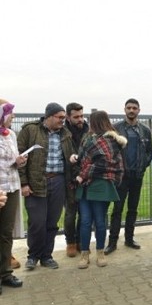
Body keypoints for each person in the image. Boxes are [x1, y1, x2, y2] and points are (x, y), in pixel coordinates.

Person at [17, 102, 75, 270]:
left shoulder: (66, 134)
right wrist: (24, 183)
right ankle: (33, 256)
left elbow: (69, 156)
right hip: (36, 182)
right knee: (37, 222)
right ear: (49, 116)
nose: (63, 121)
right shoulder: (30, 130)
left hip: (58, 182)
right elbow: (19, 158)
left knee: (52, 222)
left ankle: (46, 256)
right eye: (60, 117)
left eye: (64, 118)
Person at [73, 111, 126, 269]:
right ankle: (84, 253)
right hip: (85, 187)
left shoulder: (110, 139)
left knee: (100, 222)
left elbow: (104, 163)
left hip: (101, 185)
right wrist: (76, 158)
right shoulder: (88, 138)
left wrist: (82, 175)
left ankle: (100, 252)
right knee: (85, 221)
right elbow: (85, 159)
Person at [105, 98, 152, 254]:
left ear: (139, 110)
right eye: (129, 108)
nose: (131, 110)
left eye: (134, 108)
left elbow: (149, 151)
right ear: (124, 109)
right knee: (117, 209)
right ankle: (112, 242)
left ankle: (129, 238)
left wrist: (143, 165)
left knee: (133, 209)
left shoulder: (144, 130)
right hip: (121, 177)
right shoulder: (116, 128)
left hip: (137, 176)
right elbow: (109, 151)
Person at [0, 101, 25, 294]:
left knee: (6, 232)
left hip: (12, 187)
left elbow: (13, 161)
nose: (13, 116)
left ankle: (6, 273)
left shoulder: (11, 135)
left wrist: (20, 161)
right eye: (10, 113)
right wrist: (12, 161)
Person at [64, 102, 89, 258]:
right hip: (68, 177)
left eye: (81, 116)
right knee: (71, 212)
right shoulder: (63, 132)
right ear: (68, 117)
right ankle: (70, 243)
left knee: (84, 212)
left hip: (86, 176)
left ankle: (81, 241)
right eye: (76, 117)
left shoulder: (87, 130)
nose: (80, 119)